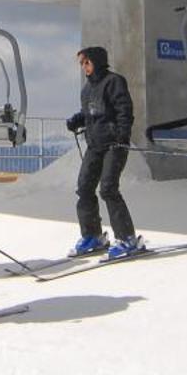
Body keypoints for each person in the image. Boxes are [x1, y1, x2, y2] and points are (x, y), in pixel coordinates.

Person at [65, 46, 142, 259]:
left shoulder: (114, 82)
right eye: (82, 64)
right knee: (84, 188)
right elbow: (90, 113)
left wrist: (122, 136)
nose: (84, 67)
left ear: (97, 61)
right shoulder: (87, 89)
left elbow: (124, 111)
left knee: (108, 188)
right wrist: (77, 120)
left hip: (114, 145)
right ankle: (93, 236)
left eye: (87, 62)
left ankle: (127, 239)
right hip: (95, 145)